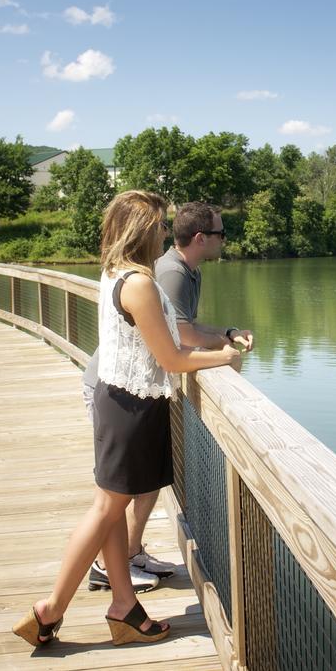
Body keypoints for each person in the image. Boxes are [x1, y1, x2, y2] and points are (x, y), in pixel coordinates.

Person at [12, 190, 240, 648]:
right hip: (131, 410)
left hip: (116, 400)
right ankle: (49, 609)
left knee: (111, 512)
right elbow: (172, 358)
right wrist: (223, 356)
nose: (163, 234)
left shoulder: (114, 273)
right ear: (142, 231)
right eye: (157, 226)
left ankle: (124, 607)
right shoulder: (139, 284)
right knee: (104, 511)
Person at [79, 201, 255, 592]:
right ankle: (101, 572)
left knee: (140, 485)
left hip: (138, 388)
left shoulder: (186, 272)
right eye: (220, 234)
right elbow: (179, 341)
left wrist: (226, 333)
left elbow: (183, 330)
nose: (163, 233)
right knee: (116, 496)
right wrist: (221, 356)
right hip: (122, 388)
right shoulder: (166, 274)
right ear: (200, 238)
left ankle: (130, 554)